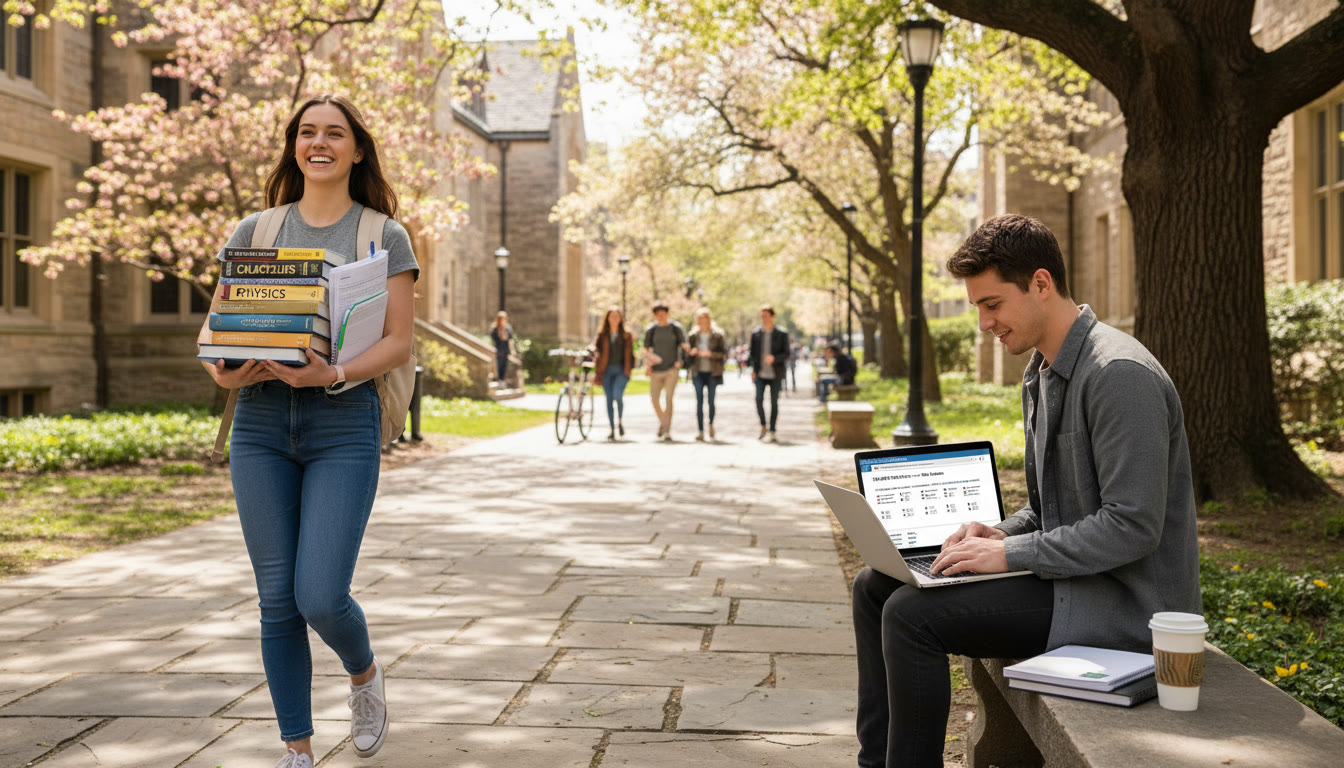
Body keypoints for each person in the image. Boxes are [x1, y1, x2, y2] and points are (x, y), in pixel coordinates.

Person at [850, 213, 1200, 768]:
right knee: (875, 585)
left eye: (993, 304)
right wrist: (997, 532)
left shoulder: (1118, 374)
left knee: (911, 617)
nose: (985, 323)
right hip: (1074, 581)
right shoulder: (1040, 372)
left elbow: (1133, 524)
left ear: (1041, 283)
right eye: (978, 309)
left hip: (1127, 607)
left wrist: (1008, 554)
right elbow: (1047, 508)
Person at [198, 96, 415, 768]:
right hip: (260, 424)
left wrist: (333, 373)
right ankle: (297, 747)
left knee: (318, 593)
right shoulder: (255, 231)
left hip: (341, 422)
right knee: (275, 599)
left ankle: (363, 674)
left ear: (357, 150)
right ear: (295, 145)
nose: (319, 143)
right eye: (307, 132)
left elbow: (399, 342)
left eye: (335, 133)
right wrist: (230, 374)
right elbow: (214, 338)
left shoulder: (383, 235)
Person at [643, 300, 689, 441]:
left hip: (671, 369)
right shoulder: (651, 330)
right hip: (656, 370)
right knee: (654, 399)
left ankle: (667, 430)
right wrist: (651, 360)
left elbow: (685, 346)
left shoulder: (675, 328)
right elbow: (645, 350)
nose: (660, 316)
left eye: (663, 314)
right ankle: (664, 423)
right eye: (657, 314)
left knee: (669, 399)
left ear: (667, 314)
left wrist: (681, 361)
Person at [590, 306, 634, 440]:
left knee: (617, 395)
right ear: (607, 318)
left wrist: (629, 370)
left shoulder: (626, 335)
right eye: (612, 316)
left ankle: (619, 421)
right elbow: (595, 348)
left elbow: (631, 355)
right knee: (609, 399)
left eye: (617, 316)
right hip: (606, 371)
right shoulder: (602, 335)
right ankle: (611, 428)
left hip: (621, 370)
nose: (614, 318)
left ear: (621, 319)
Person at [747, 304, 790, 442]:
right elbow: (752, 354)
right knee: (758, 399)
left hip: (775, 373)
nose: (763, 319)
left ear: (772, 316)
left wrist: (774, 358)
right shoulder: (756, 333)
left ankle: (772, 430)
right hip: (760, 373)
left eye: (766, 316)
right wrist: (753, 370)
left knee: (774, 402)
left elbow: (787, 353)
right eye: (762, 316)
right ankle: (763, 425)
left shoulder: (782, 333)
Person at [687, 306, 728, 441]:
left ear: (709, 320)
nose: (702, 322)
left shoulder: (717, 335)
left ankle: (710, 424)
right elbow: (686, 356)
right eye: (699, 319)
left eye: (704, 319)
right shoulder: (693, 336)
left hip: (712, 371)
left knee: (711, 401)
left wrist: (711, 354)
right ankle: (700, 430)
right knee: (699, 401)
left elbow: (723, 354)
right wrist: (691, 353)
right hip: (698, 372)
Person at [489, 311, 514, 384]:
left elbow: (510, 340)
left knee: (504, 365)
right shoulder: (495, 329)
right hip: (498, 349)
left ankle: (502, 380)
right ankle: (499, 379)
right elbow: (493, 340)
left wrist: (512, 350)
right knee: (498, 365)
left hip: (505, 349)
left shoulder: (508, 328)